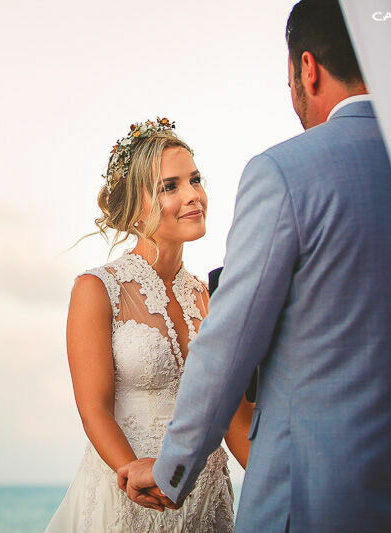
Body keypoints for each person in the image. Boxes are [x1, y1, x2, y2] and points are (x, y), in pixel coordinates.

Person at [117, 2, 391, 532]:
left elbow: (229, 344)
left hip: (309, 503)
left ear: (308, 68)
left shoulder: (282, 172)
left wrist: (171, 469)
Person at [45, 118, 254, 532]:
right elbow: (94, 409)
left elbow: (234, 417)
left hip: (204, 501)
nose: (193, 195)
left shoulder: (213, 297)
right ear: (137, 208)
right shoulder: (97, 289)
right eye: (170, 186)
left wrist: (294, 485)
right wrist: (134, 473)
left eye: (195, 180)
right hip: (128, 497)